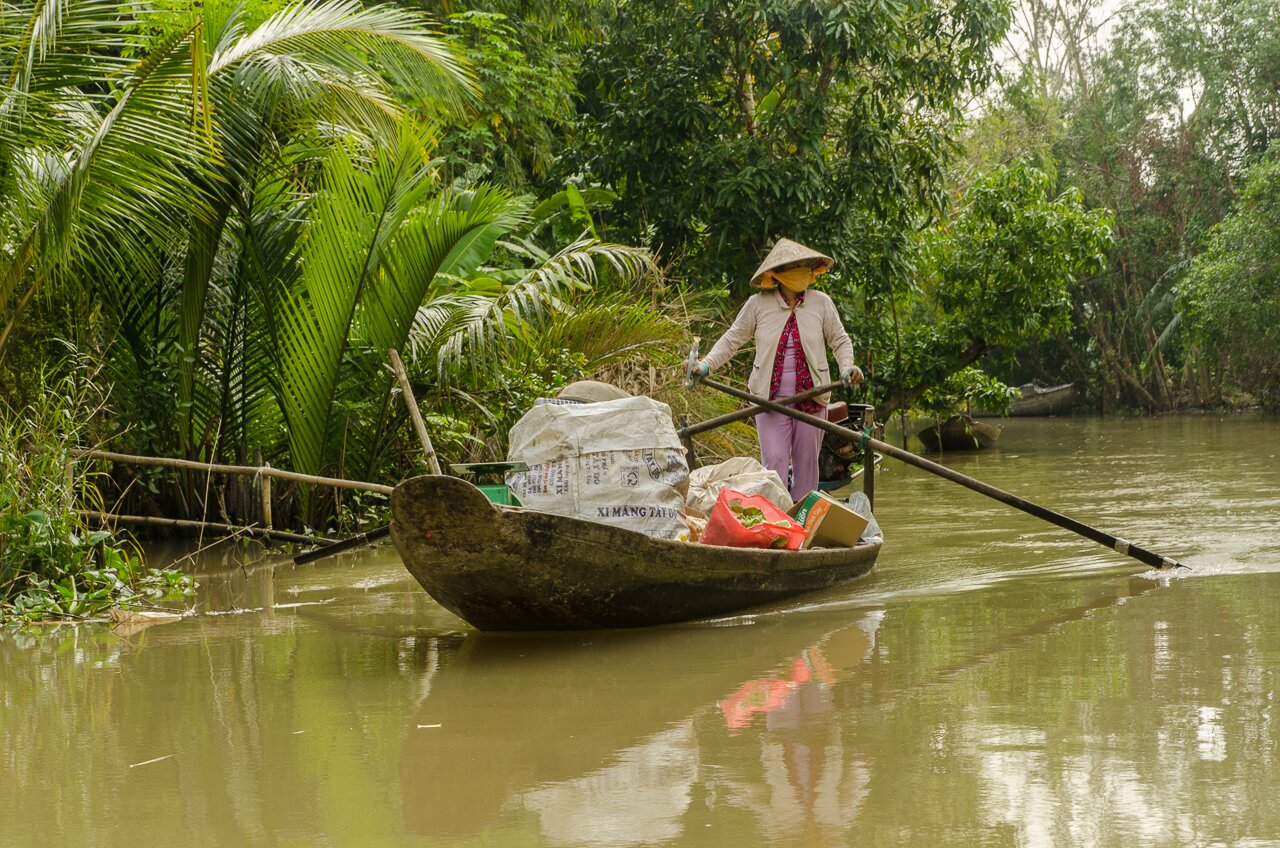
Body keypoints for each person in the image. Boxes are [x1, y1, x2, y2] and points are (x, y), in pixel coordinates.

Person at [690, 238, 863, 500]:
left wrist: (847, 367)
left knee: (807, 465)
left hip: (812, 399)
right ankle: (779, 520)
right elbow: (732, 339)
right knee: (775, 462)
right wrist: (705, 365)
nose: (801, 271)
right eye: (795, 267)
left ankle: (803, 520)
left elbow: (840, 341)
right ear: (778, 275)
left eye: (805, 266)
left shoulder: (821, 303)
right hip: (770, 401)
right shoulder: (758, 304)